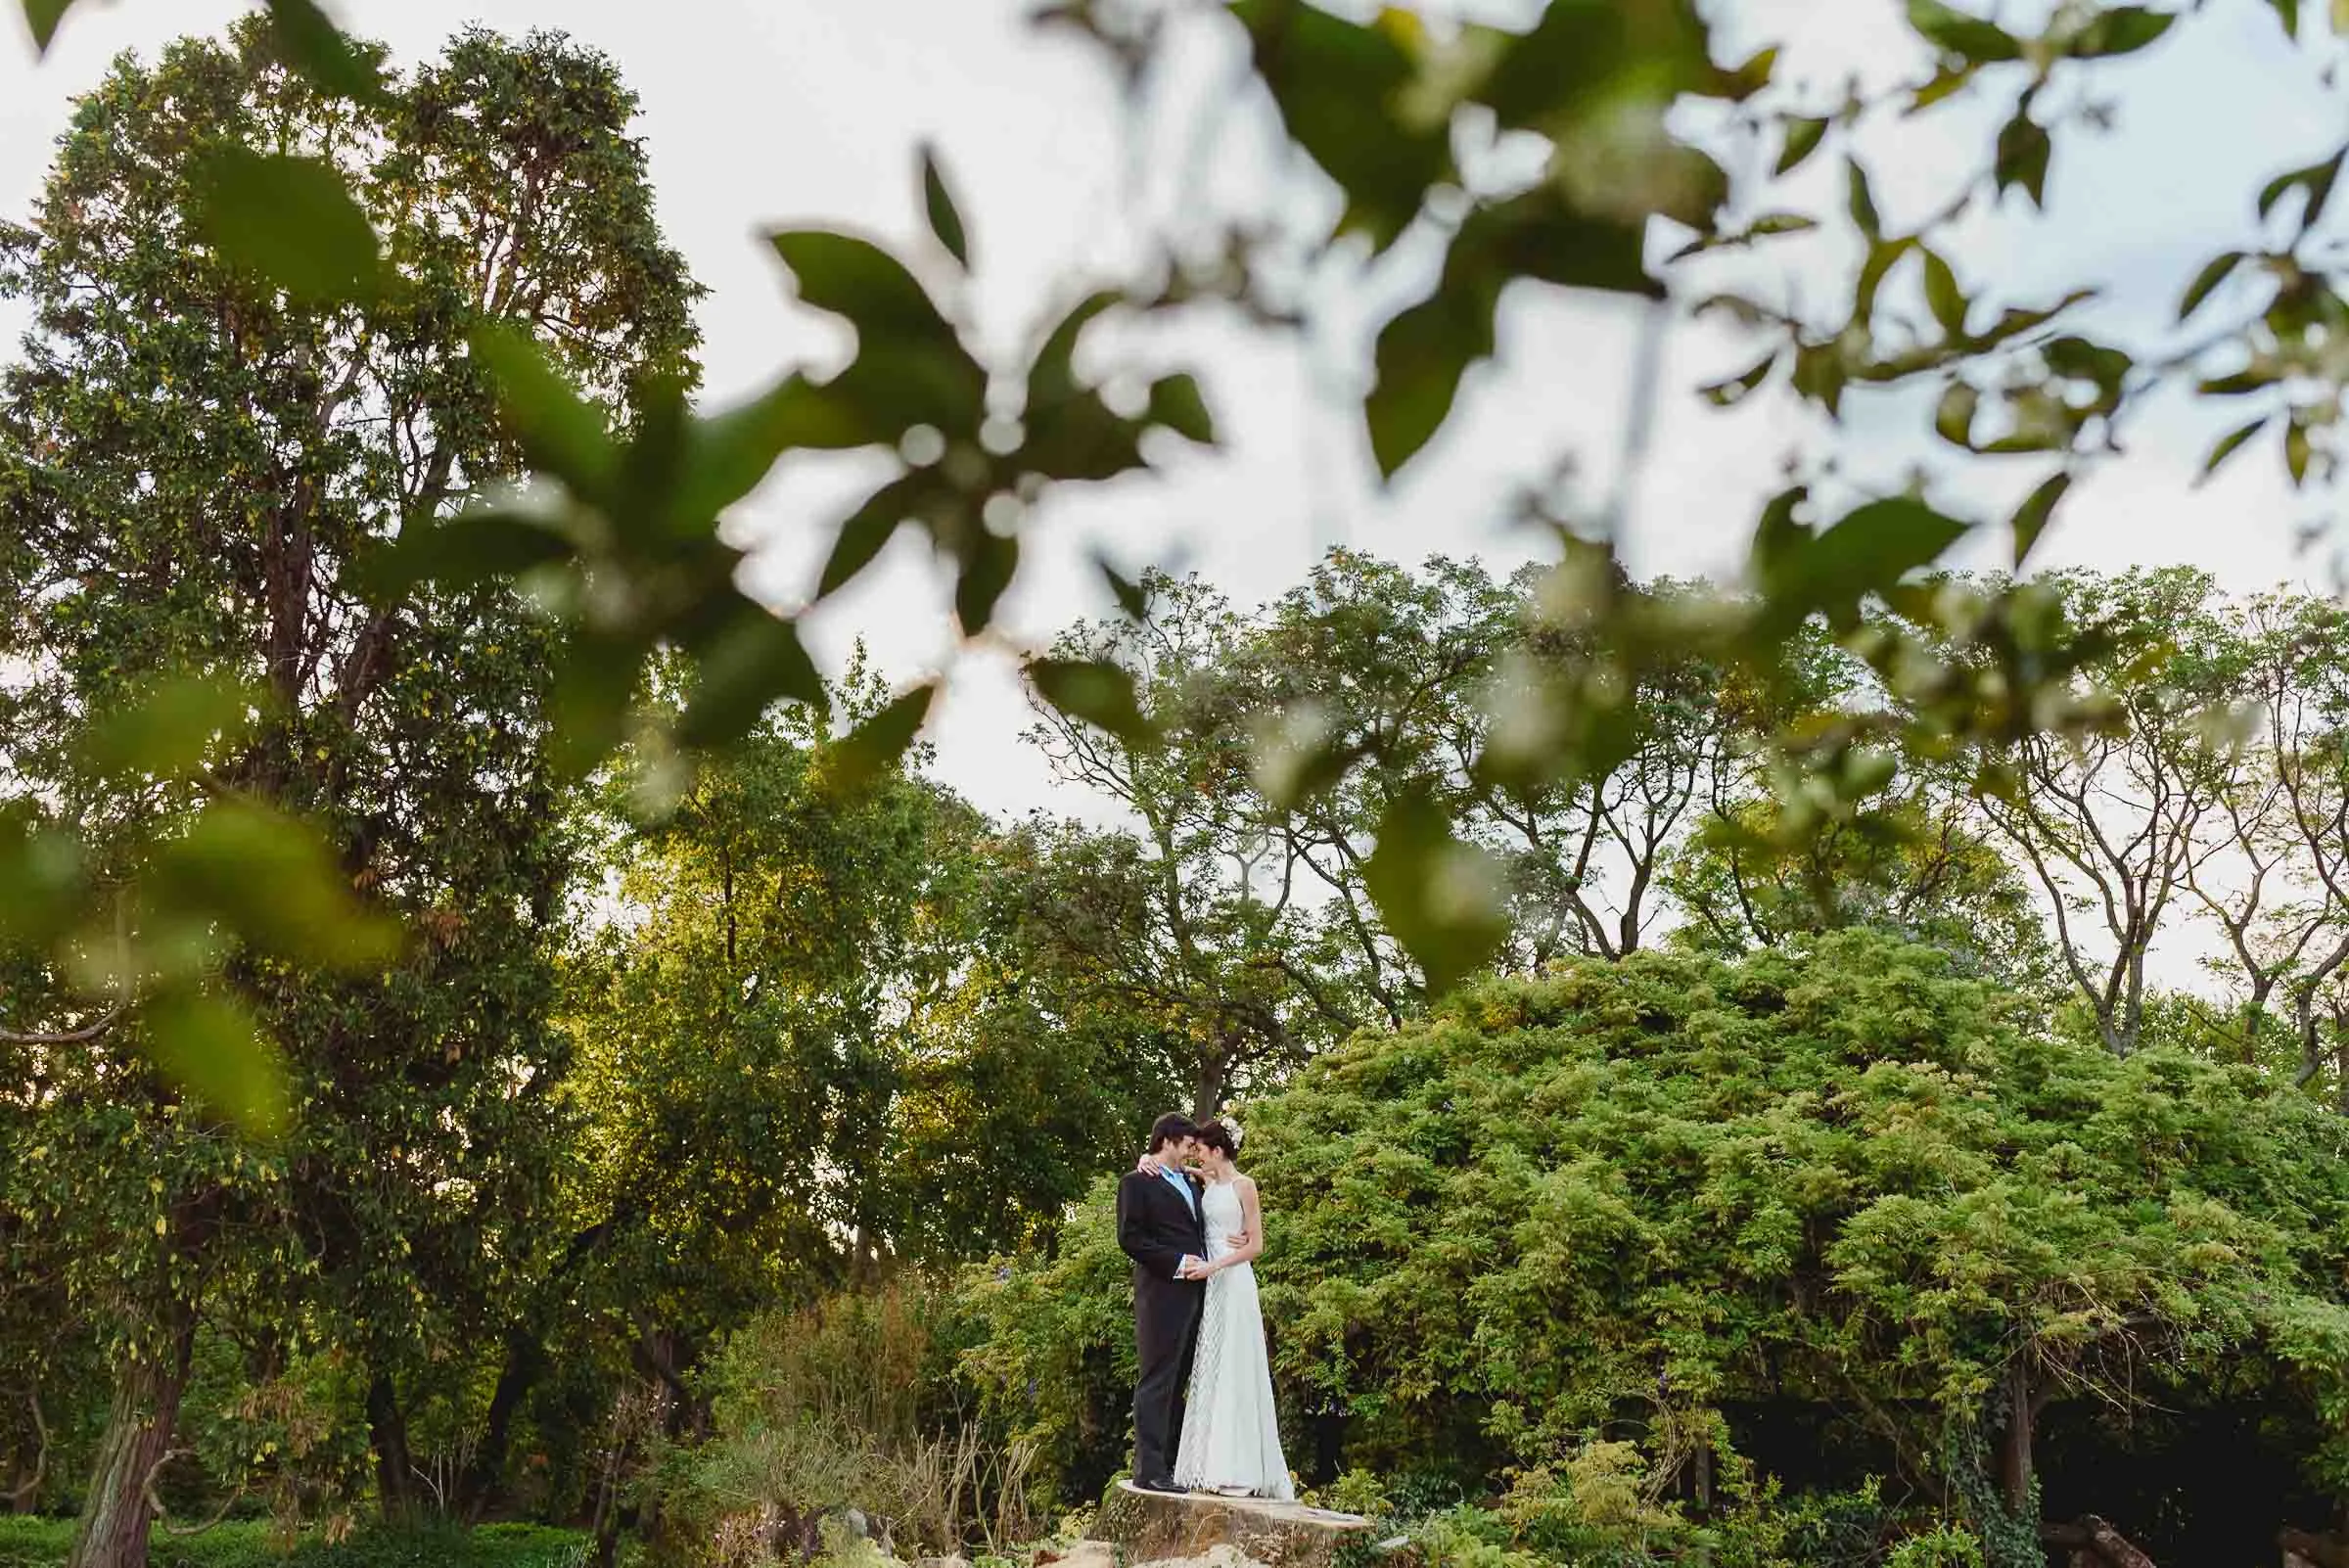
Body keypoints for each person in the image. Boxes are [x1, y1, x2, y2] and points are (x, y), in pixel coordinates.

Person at [1140, 1119, 1294, 1499]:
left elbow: (1256, 1246)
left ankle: (1238, 1468)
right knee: (1210, 1368)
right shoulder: (1203, 1182)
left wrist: (1215, 1264)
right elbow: (1165, 1168)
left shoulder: (1246, 1186)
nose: (1196, 1155)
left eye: (1202, 1150)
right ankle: (1206, 1464)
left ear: (1219, 1151)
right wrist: (1145, 1157)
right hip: (1208, 1286)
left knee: (1236, 1368)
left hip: (1232, 1281)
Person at [1116, 1112, 1209, 1494]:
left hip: (1198, 1293)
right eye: (1187, 1145)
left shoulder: (1191, 1182)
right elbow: (1130, 1239)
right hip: (1160, 1294)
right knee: (1156, 1381)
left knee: (1181, 1381)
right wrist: (1175, 1262)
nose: (1191, 1152)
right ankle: (1149, 1471)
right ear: (1167, 1140)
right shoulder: (1136, 1183)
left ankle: (1171, 1467)